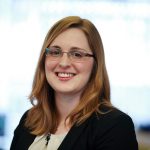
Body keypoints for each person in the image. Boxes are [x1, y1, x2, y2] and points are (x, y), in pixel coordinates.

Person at [10, 16, 138, 150]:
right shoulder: (29, 120)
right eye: (55, 52)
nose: (64, 63)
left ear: (95, 65)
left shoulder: (115, 125)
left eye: (77, 54)